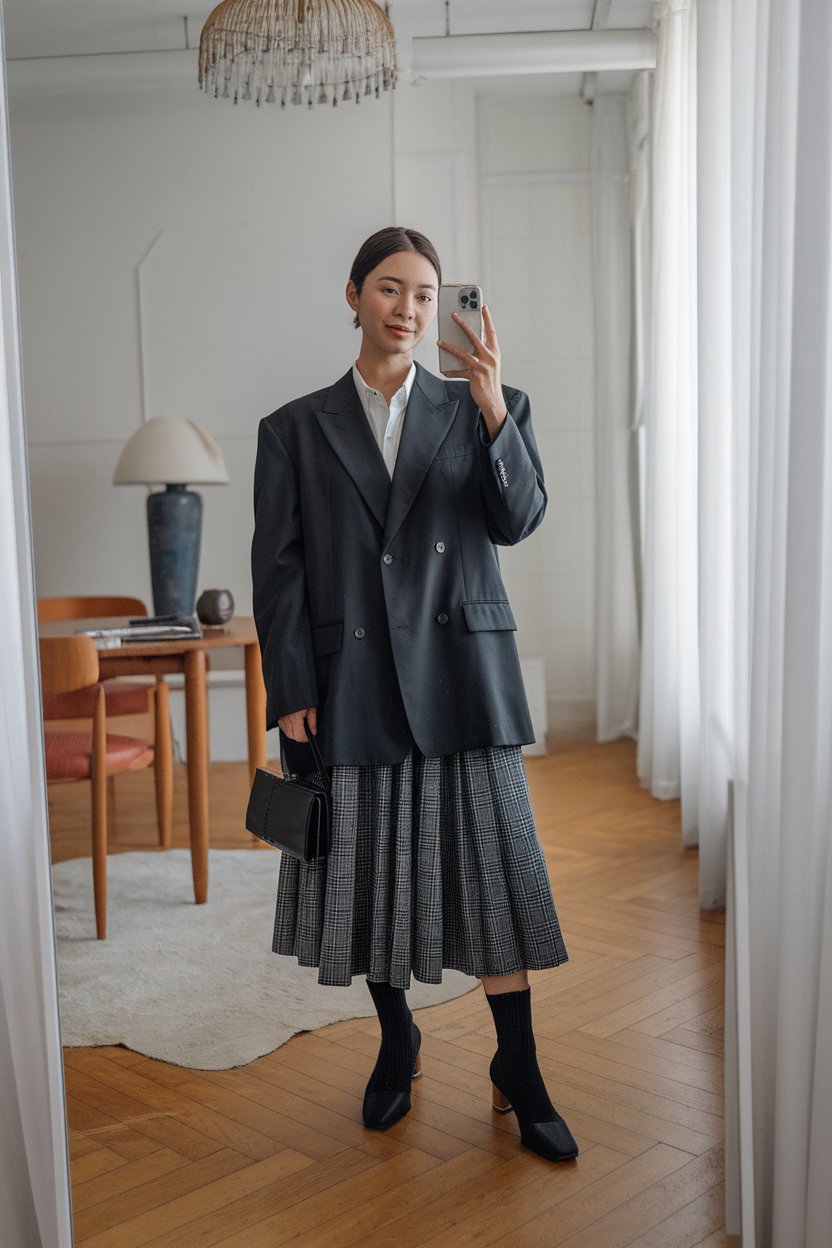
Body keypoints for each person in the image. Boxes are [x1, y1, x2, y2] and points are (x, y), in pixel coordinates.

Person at [251, 226, 577, 1162]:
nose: (410, 309)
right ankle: (399, 1039)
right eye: (391, 289)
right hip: (348, 681)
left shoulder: (493, 405)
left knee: (497, 878)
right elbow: (278, 572)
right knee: (367, 878)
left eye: (427, 295)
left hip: (463, 680)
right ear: (352, 295)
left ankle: (519, 1065)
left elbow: (517, 523)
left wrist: (489, 413)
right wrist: (290, 692)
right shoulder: (294, 429)